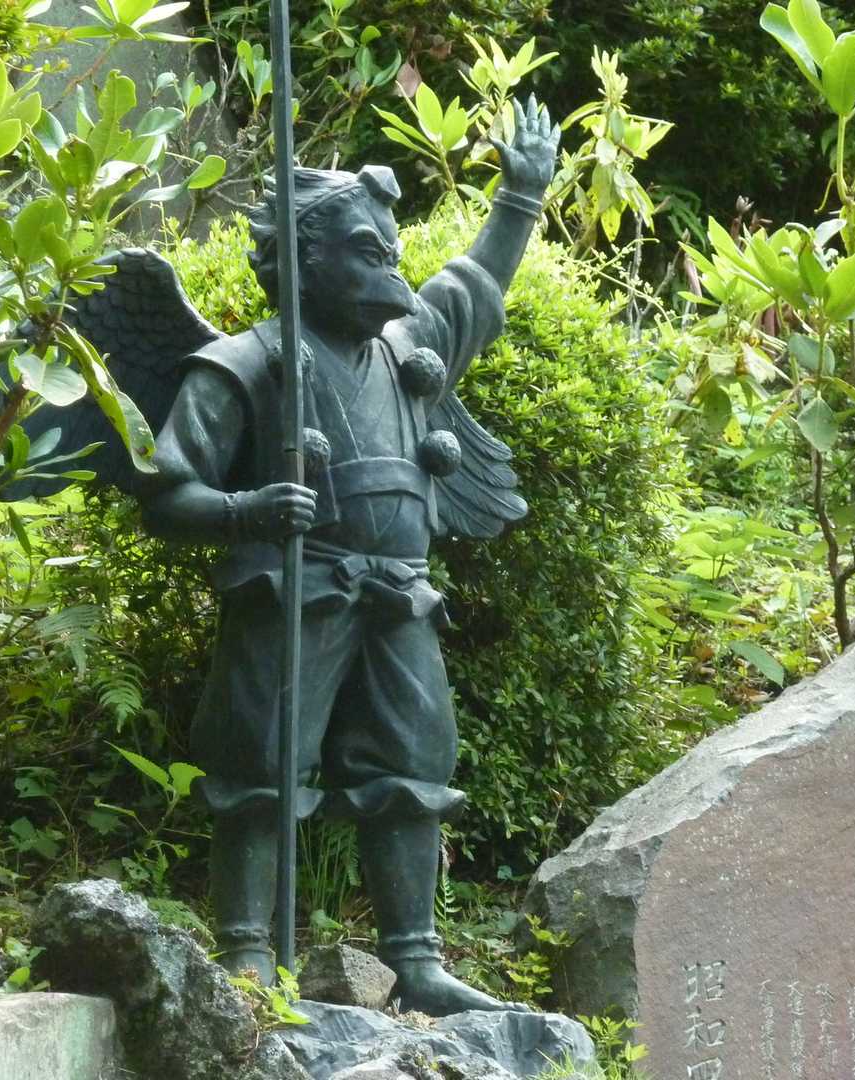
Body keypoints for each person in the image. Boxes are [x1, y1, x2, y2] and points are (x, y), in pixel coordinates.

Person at [140, 98, 560, 1015]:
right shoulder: (246, 364)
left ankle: (415, 960)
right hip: (294, 588)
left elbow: (472, 287)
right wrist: (247, 509)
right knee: (262, 763)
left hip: (401, 596)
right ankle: (248, 948)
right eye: (368, 253)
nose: (391, 271)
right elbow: (167, 492)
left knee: (415, 761)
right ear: (305, 261)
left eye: (390, 252)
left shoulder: (409, 351)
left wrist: (520, 199)